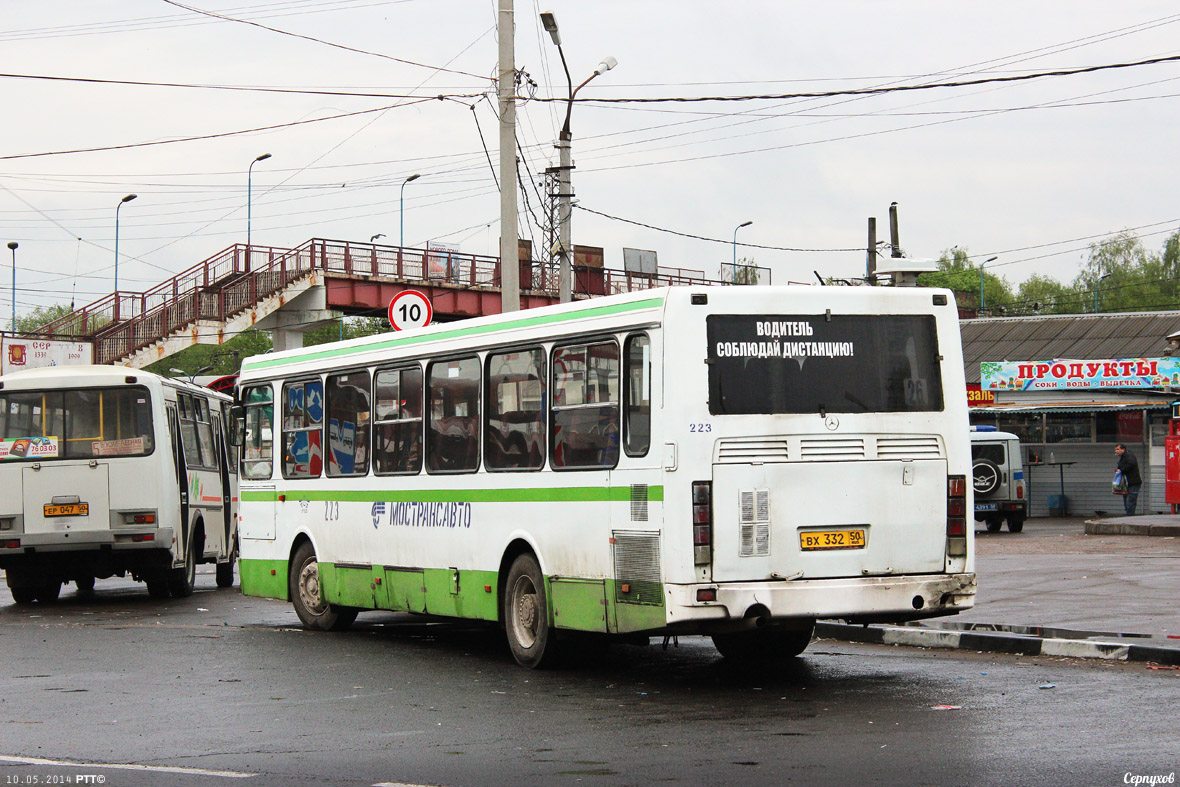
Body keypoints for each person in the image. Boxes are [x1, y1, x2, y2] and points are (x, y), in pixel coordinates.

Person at [1114, 443, 1142, 516]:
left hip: (1132, 482)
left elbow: (1131, 464)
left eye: (1117, 449)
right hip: (1128, 482)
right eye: (1115, 449)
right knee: (1127, 501)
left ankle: (1130, 516)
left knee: (1130, 501)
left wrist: (1121, 470)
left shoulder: (1128, 456)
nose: (1116, 451)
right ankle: (1129, 515)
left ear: (1123, 449)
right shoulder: (1125, 456)